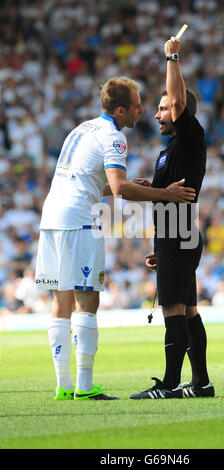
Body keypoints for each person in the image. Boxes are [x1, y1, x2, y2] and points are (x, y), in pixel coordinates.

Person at [35, 76, 195, 401]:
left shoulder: (82, 128)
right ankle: (84, 386)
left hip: (51, 217)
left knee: (60, 301)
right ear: (120, 110)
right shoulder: (114, 138)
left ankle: (64, 386)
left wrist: (119, 186)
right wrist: (164, 193)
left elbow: (95, 183)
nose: (141, 110)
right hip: (80, 220)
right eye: (136, 105)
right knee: (87, 299)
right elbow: (122, 190)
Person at [130, 38, 214, 399]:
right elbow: (165, 201)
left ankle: (167, 385)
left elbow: (179, 99)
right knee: (189, 311)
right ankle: (201, 383)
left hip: (179, 236)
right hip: (174, 236)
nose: (158, 114)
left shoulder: (191, 136)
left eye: (163, 109)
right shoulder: (169, 153)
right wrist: (157, 249)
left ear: (180, 112)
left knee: (173, 310)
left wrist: (172, 57)